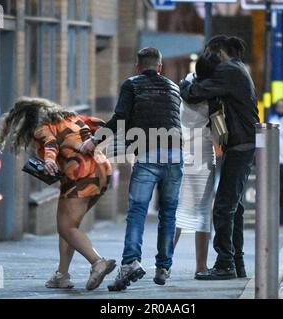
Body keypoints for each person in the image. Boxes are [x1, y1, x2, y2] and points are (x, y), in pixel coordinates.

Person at [80, 47, 183, 291]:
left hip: (148, 155)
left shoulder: (132, 84)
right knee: (168, 213)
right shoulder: (174, 87)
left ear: (138, 66)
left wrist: (94, 140)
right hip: (176, 156)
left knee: (137, 211)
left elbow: (120, 117)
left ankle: (130, 263)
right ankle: (163, 267)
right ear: (159, 67)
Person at [0, 97, 116, 291]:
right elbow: (101, 125)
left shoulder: (42, 127)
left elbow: (50, 143)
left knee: (66, 227)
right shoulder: (74, 118)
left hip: (80, 173)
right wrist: (90, 141)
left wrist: (50, 159)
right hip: (101, 170)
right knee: (69, 226)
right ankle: (62, 275)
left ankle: (97, 262)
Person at [180, 35, 260, 280]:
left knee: (223, 207)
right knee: (232, 207)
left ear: (218, 51)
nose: (207, 57)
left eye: (209, 52)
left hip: (240, 145)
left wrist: (184, 83)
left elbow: (194, 93)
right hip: (241, 144)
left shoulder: (228, 70)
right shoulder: (236, 69)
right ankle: (236, 262)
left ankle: (225, 263)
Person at [174, 53, 221, 279]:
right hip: (203, 154)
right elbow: (220, 132)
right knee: (202, 211)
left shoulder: (185, 85)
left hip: (184, 151)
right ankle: (200, 266)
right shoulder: (212, 95)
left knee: (177, 208)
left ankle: (164, 261)